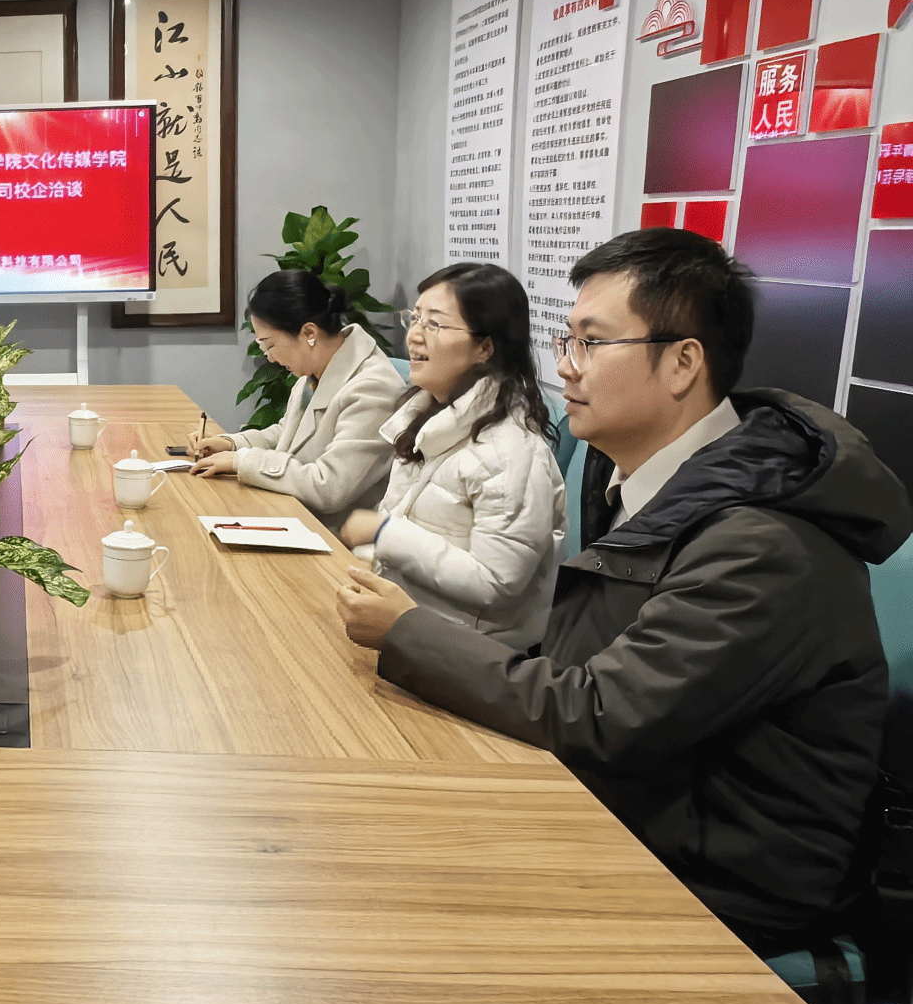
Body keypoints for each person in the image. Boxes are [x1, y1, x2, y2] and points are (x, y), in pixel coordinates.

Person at [338, 229, 913, 953]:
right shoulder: (645, 481)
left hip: (708, 888)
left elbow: (602, 714)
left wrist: (406, 630)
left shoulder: (763, 547)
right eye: (567, 340)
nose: (565, 367)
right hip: (621, 810)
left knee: (391, 898)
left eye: (591, 343)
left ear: (682, 362)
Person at [337, 263, 564, 650]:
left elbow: (497, 581)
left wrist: (384, 533)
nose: (415, 335)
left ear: (485, 347)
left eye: (435, 324)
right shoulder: (427, 416)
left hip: (469, 657)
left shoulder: (511, 451)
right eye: (415, 318)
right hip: (407, 629)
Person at [187, 270, 404, 531]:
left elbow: (329, 486)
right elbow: (288, 433)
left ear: (309, 332)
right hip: (294, 517)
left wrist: (241, 461)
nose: (269, 357)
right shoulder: (314, 371)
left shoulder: (373, 388)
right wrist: (231, 444)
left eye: (269, 345)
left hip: (334, 537)